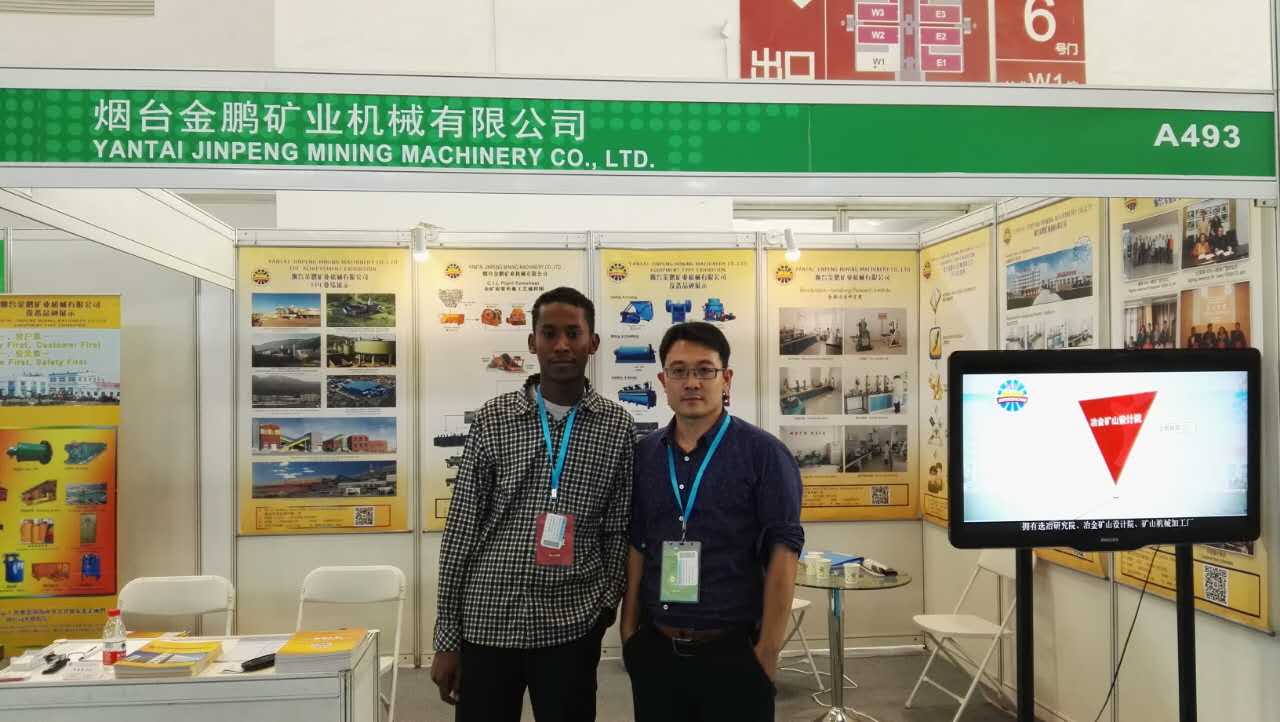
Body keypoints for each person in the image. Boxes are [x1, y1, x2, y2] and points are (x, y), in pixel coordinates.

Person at [432, 287, 635, 722]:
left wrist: (603, 607)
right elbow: (461, 529)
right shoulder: (494, 418)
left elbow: (617, 529)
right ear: (532, 343)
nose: (561, 345)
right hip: (487, 621)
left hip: (570, 625)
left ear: (593, 343)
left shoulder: (616, 426)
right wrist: (447, 638)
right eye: (549, 333)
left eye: (573, 333)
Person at [621, 322, 803, 722]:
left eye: (705, 370)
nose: (692, 382)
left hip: (734, 654)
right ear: (663, 381)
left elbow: (784, 552)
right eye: (679, 371)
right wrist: (629, 632)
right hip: (656, 651)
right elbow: (638, 544)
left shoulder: (764, 454)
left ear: (726, 379)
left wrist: (767, 652)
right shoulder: (645, 455)